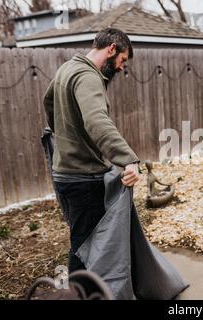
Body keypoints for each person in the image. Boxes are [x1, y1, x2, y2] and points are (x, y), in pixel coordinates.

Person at [43, 28, 140, 273]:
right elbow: (97, 121)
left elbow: (48, 101)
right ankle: (80, 292)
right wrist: (128, 159)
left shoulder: (67, 68)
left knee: (82, 239)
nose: (121, 67)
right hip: (84, 178)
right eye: (122, 60)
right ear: (111, 49)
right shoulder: (88, 76)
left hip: (64, 174)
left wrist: (65, 137)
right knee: (88, 247)